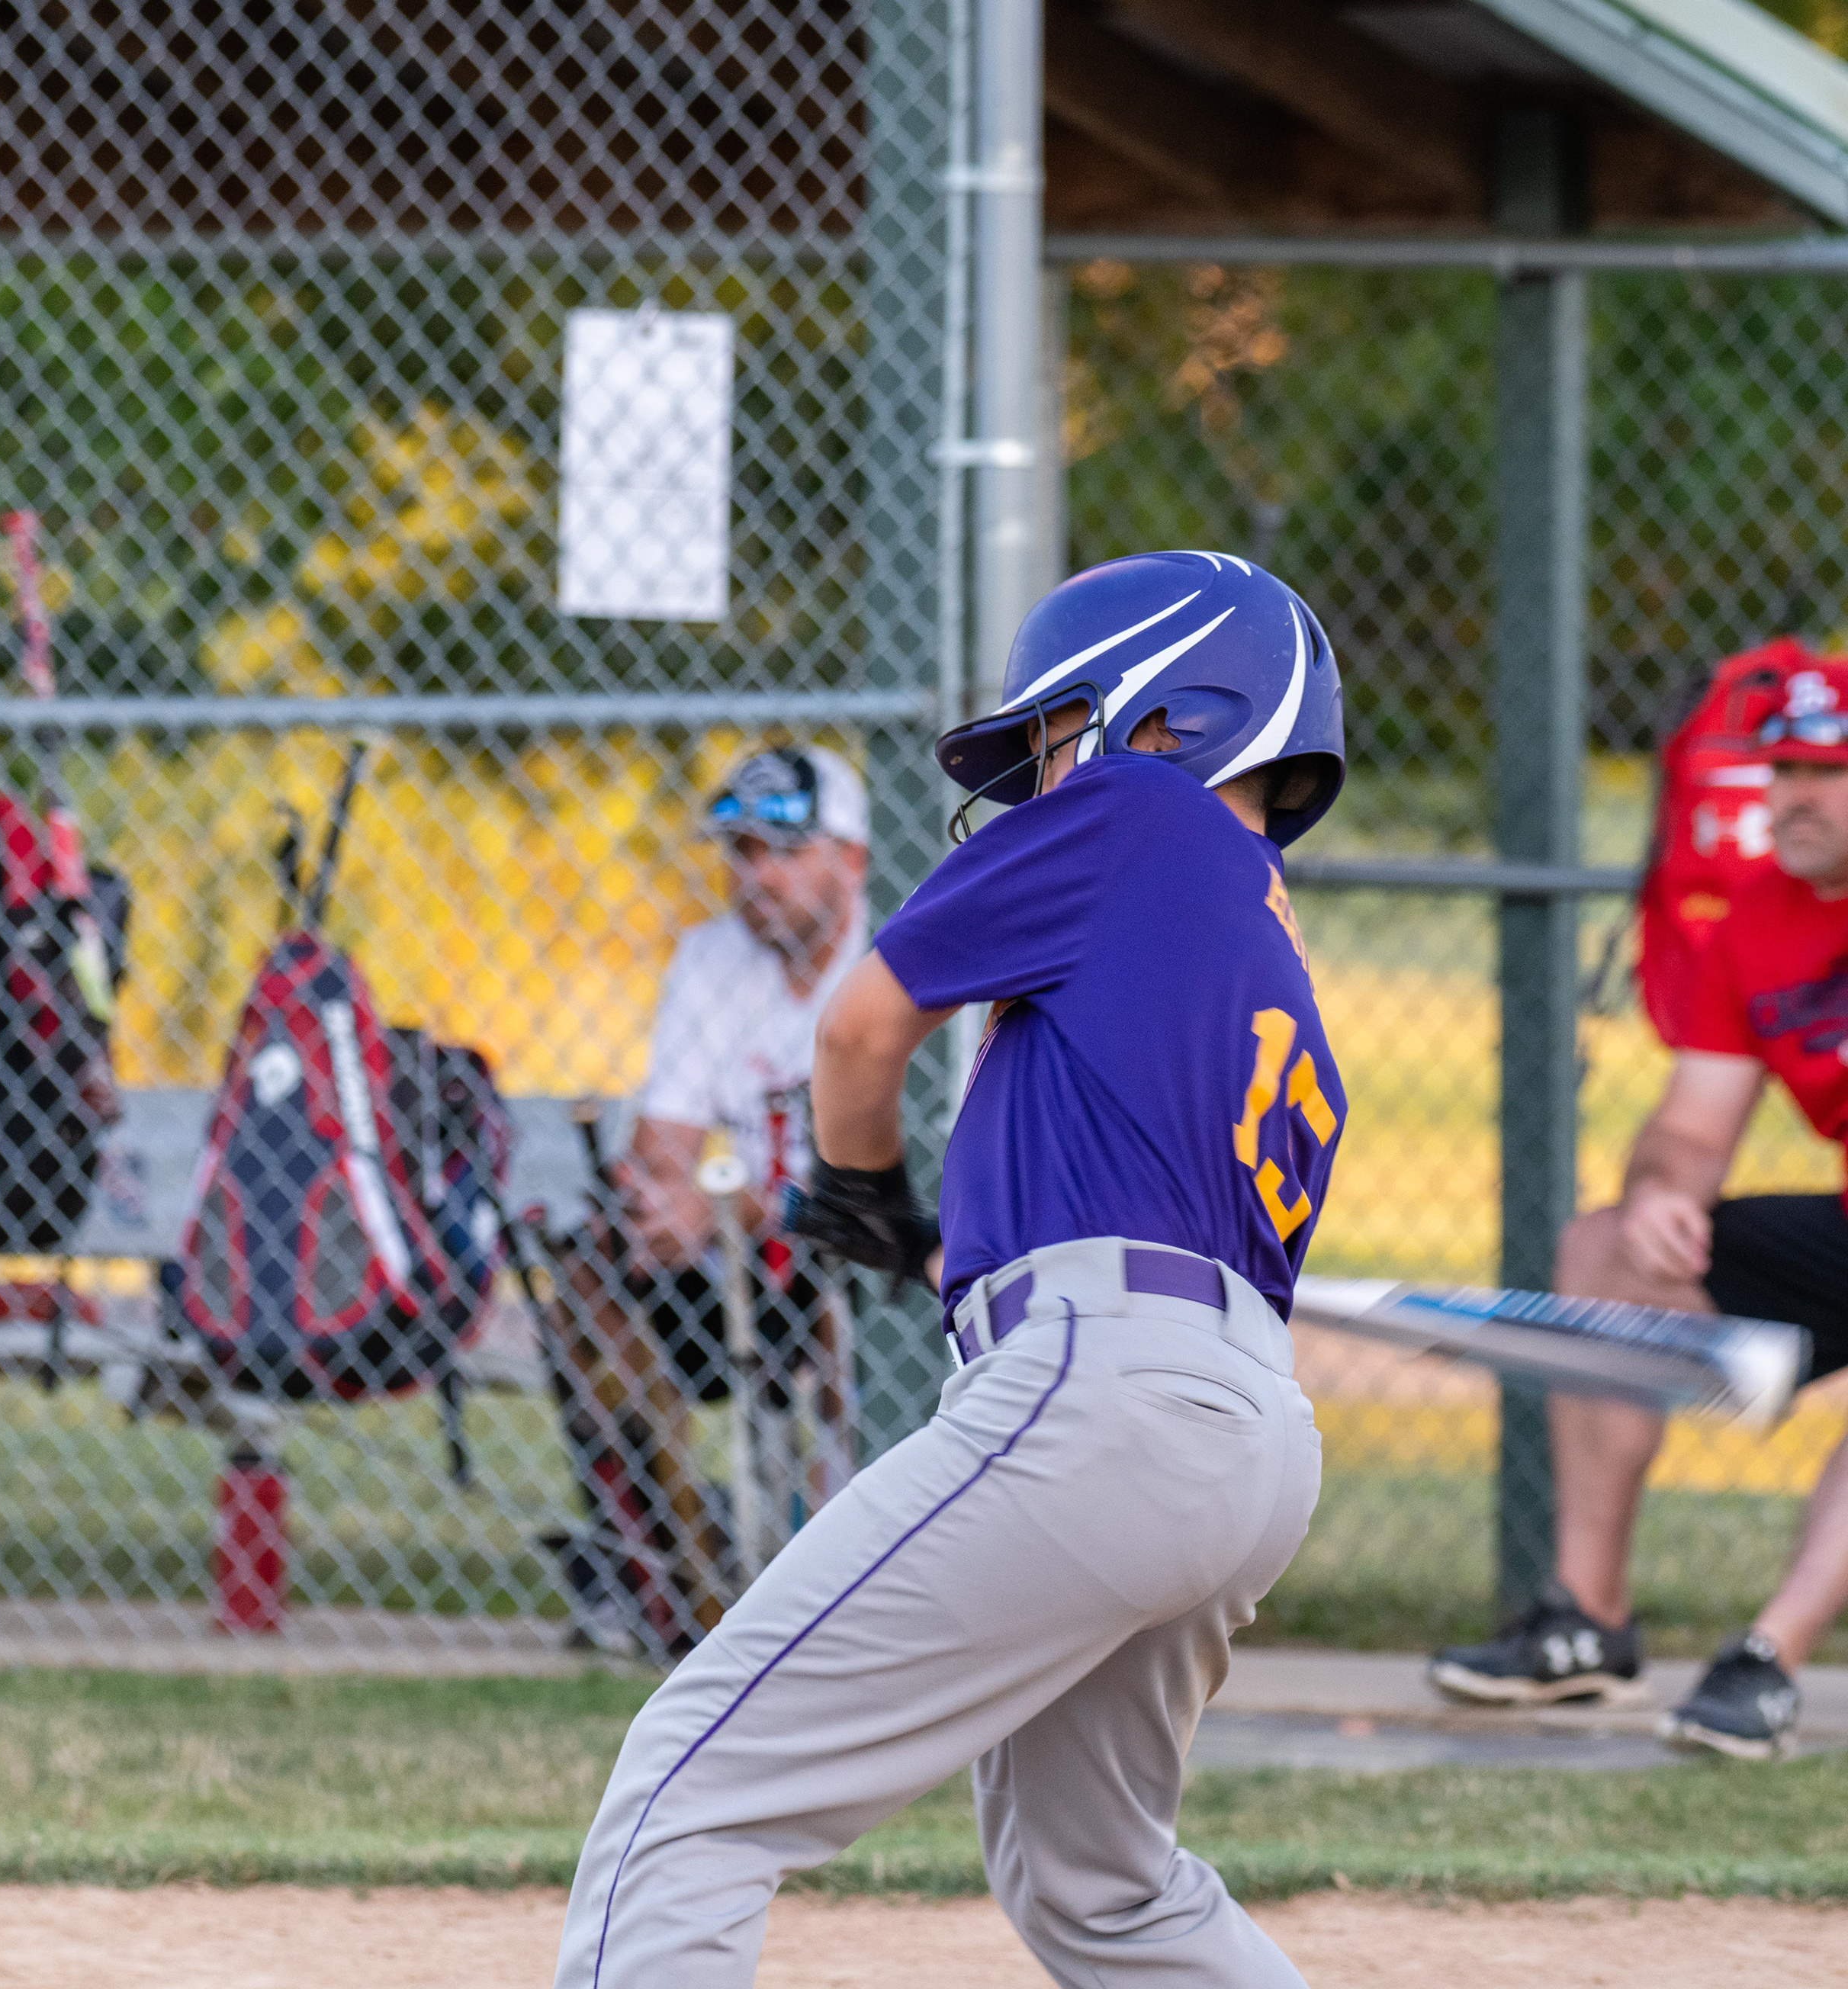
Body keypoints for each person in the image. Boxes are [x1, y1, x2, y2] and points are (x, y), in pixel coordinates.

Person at [554, 550, 1348, 1989]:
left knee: (689, 1794)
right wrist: (929, 1237)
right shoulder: (1260, 940)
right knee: (1103, 1888)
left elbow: (861, 1029)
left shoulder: (1134, 809)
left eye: (1058, 730)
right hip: (1243, 1434)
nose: (1040, 774)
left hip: (1105, 1403)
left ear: (1171, 713)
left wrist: (856, 1180)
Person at [1429, 658, 1848, 1760]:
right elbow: (1693, 1127)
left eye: (1829, 773)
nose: (1795, 796)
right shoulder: (1759, 916)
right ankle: (1587, 1622)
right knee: (1605, 1246)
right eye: (1784, 770)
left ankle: (1767, 1659)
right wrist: (1664, 1192)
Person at [616, 744, 873, 1397]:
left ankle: (843, 1465)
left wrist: (723, 1208)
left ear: (852, 861)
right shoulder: (709, 957)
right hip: (751, 1250)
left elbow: (873, 1187)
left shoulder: (895, 957)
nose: (759, 877)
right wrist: (660, 1202)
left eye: (786, 852)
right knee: (595, 1260)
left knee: (843, 1256)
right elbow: (662, 1144)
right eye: (741, 851)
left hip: (873, 1242)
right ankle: (659, 1472)